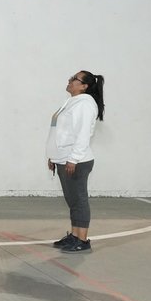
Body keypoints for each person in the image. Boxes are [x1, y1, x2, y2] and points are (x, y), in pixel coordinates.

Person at [46, 70, 105, 253]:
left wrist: (73, 158)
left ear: (84, 86)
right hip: (64, 159)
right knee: (72, 200)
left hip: (76, 161)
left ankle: (82, 239)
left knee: (79, 200)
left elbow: (82, 134)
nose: (70, 81)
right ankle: (74, 235)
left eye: (74, 79)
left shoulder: (85, 104)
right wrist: (53, 156)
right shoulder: (72, 102)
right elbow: (60, 133)